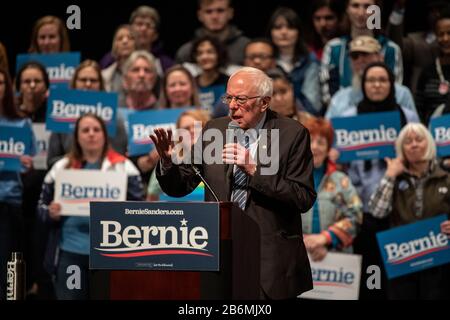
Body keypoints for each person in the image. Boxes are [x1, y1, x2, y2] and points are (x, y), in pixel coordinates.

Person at [150, 67, 316, 299]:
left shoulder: (292, 134)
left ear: (264, 103)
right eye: (229, 98)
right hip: (219, 253)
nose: (232, 106)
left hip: (269, 263)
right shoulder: (214, 130)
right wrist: (168, 162)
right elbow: (181, 185)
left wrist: (254, 171)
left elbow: (302, 197)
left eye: (241, 99)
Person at [37, 113, 144, 300]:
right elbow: (41, 209)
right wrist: (50, 213)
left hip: (111, 256)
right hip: (70, 253)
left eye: (96, 129)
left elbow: (141, 212)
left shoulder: (125, 168)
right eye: (85, 130)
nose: (91, 134)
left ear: (104, 134)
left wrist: (124, 211)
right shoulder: (61, 168)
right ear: (77, 136)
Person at [368, 122, 450, 299]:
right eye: (408, 141)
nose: (413, 144)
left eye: (419, 139)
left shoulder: (446, 177)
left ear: (428, 143)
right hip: (401, 260)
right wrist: (390, 176)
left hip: (438, 261)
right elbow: (377, 211)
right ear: (401, 148)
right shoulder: (394, 179)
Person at [301, 117, 363, 262]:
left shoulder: (341, 180)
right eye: (310, 141)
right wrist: (305, 242)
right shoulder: (287, 179)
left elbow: (356, 216)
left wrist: (325, 239)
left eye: (321, 142)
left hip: (335, 261)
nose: (315, 147)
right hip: (296, 256)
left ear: (328, 149)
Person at [321, 0, 403, 107]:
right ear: (347, 9)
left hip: (382, 115)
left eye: (367, 6)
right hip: (342, 115)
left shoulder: (391, 49)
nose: (361, 13)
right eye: (355, 6)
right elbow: (328, 95)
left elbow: (396, 91)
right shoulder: (333, 48)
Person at [47, 59, 128, 168]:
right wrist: (75, 159)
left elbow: (120, 157)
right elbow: (51, 161)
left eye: (93, 80)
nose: (88, 84)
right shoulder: (61, 114)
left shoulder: (114, 116)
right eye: (83, 80)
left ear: (101, 84)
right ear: (75, 82)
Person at [0, 68, 35, 300]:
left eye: (1, 83)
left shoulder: (21, 123)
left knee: (5, 271)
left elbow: (29, 163)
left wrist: (26, 163)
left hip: (7, 203)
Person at [325, 35, 417, 119]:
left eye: (365, 54)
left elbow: (415, 130)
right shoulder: (340, 98)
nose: (360, 60)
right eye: (355, 56)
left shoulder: (402, 94)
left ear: (380, 58)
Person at [267, 7, 322, 115]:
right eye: (278, 27)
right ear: (270, 32)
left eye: (290, 27)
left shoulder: (310, 61)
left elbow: (314, 106)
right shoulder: (266, 61)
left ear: (298, 32)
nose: (284, 32)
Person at [147, 109, 210, 201]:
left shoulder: (219, 158)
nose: (192, 131)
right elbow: (151, 200)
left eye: (196, 126)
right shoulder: (168, 164)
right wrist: (167, 162)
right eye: (186, 129)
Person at [100, 6, 174, 75]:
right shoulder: (110, 60)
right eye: (139, 24)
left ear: (156, 35)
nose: (143, 29)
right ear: (130, 28)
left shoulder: (165, 64)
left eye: (148, 25)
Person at [176, 0, 250, 65]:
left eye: (220, 10)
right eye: (208, 11)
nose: (214, 17)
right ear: (200, 15)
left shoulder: (247, 48)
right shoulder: (187, 51)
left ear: (230, 13)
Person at [416, 8, 450, 125]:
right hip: (434, 136)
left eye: (449, 33)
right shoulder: (427, 72)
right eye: (441, 34)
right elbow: (419, 109)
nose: (445, 38)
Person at [190, 36, 229, 112]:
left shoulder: (229, 82)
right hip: (197, 123)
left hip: (222, 123)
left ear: (219, 55)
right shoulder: (191, 83)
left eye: (210, 52)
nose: (204, 57)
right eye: (200, 53)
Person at [102, 25, 137, 107]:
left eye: (130, 38)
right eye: (120, 38)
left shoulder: (147, 71)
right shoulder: (105, 75)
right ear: (114, 45)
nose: (125, 41)